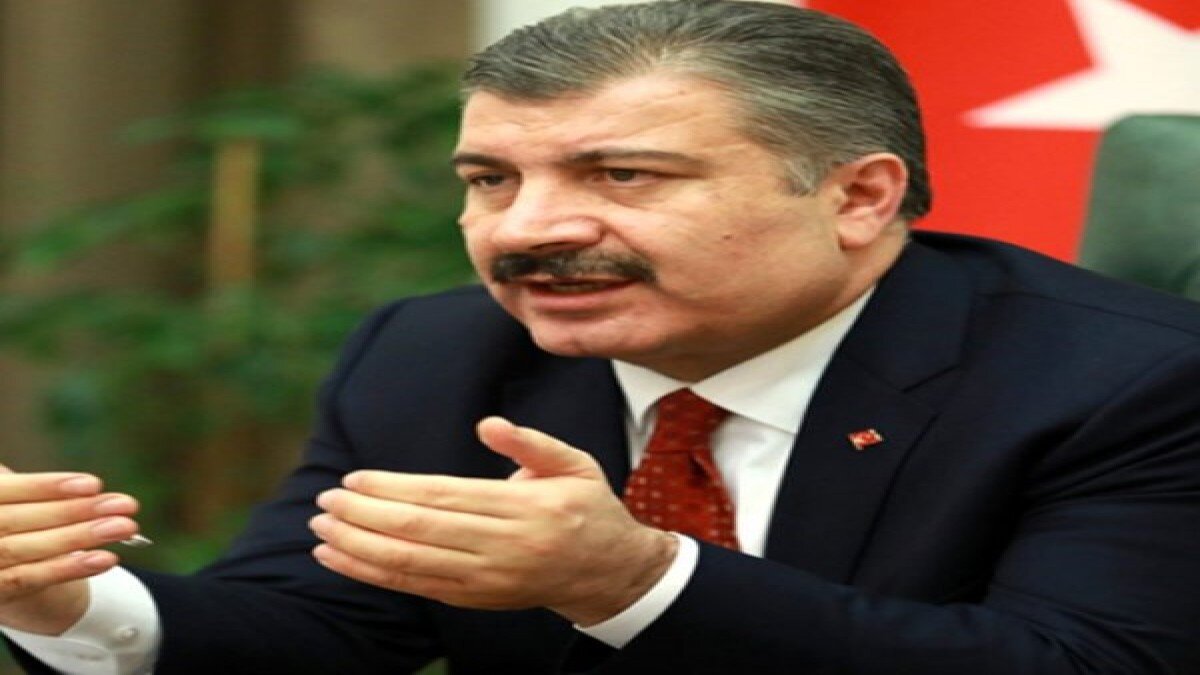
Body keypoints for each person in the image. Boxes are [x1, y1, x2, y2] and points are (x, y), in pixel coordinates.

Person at [3, 0, 1200, 672]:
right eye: (488, 179)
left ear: (858, 198)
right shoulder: (437, 357)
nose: (527, 231)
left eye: (623, 174)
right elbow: (313, 631)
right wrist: (69, 604)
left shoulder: (1126, 380)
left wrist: (637, 580)